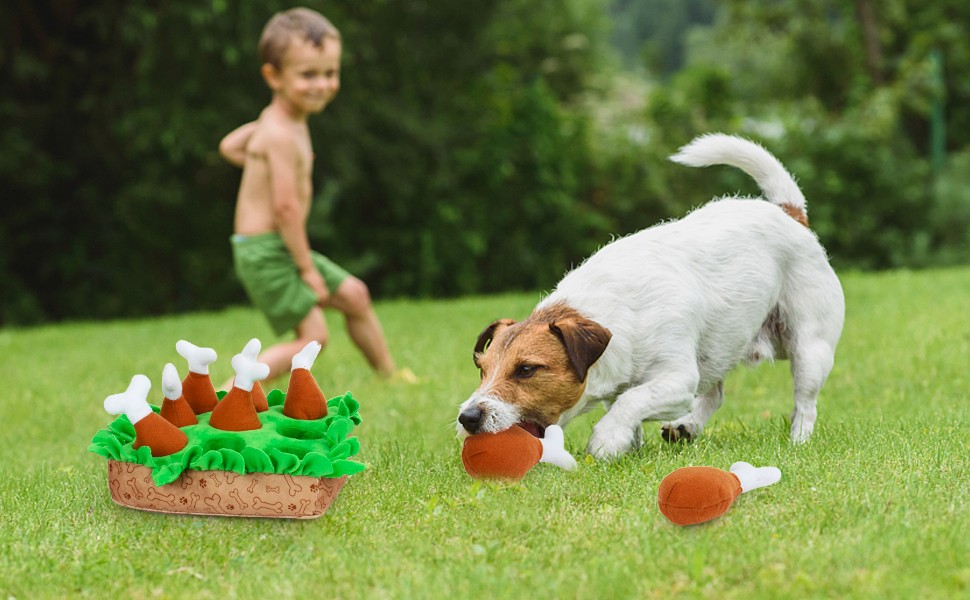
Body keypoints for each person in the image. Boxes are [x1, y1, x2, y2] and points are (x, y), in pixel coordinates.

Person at [219, 7, 412, 384]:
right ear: (273, 76)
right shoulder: (279, 133)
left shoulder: (277, 122)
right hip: (266, 251)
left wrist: (263, 165)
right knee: (313, 338)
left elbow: (229, 146)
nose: (322, 84)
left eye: (330, 73)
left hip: (275, 245)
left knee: (355, 295)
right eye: (308, 75)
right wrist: (307, 269)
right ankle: (232, 391)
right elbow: (286, 208)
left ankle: (389, 378)